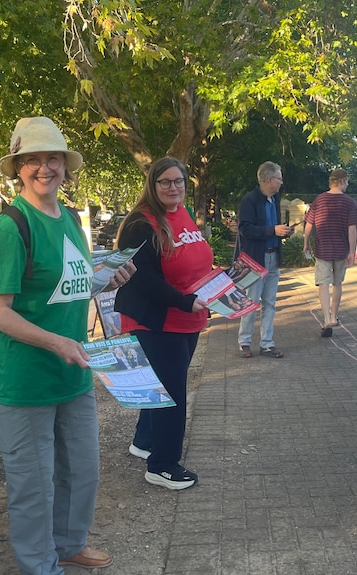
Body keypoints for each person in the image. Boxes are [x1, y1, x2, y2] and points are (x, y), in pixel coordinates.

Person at [0, 116, 134, 574]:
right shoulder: (11, 227)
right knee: (34, 486)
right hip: (27, 382)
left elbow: (71, 284)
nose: (44, 169)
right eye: (33, 160)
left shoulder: (69, 217)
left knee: (82, 472)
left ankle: (69, 544)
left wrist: (107, 280)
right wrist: (56, 343)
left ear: (66, 167)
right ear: (18, 168)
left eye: (53, 159)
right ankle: (39, 565)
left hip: (73, 373)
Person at [114, 156, 210, 491]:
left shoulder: (182, 213)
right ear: (153, 185)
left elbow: (196, 261)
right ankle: (162, 465)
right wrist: (185, 301)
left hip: (189, 316)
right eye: (165, 182)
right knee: (172, 393)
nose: (173, 187)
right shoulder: (141, 223)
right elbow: (143, 280)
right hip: (158, 320)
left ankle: (144, 442)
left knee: (163, 386)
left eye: (179, 181)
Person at [235, 161, 294, 358]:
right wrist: (272, 230)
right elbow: (245, 229)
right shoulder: (250, 200)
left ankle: (267, 343)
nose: (281, 183)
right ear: (269, 180)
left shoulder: (274, 199)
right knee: (251, 301)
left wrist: (283, 232)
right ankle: (244, 342)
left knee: (270, 303)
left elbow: (273, 228)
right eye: (279, 178)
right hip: (255, 260)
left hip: (273, 256)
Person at [303, 168, 357, 337]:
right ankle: (334, 316)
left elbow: (309, 225)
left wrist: (306, 243)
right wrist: (352, 251)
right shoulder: (349, 202)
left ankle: (326, 319)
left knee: (323, 283)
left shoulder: (319, 200)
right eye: (347, 181)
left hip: (322, 249)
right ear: (341, 181)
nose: (347, 184)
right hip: (341, 249)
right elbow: (352, 229)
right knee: (337, 283)